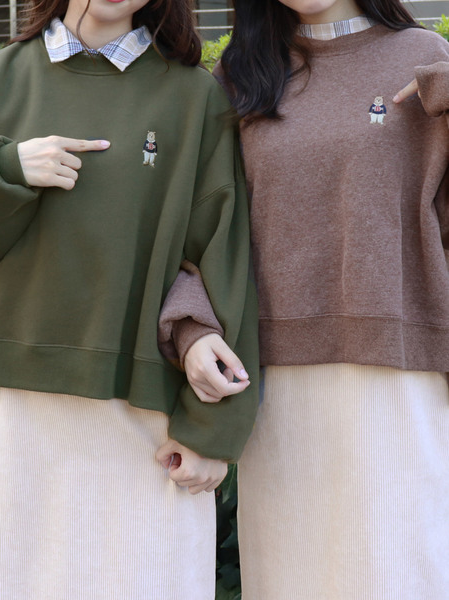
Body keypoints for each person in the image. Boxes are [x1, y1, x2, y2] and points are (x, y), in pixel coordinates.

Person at [0, 0, 259, 598]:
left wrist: (212, 429)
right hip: (25, 410)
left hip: (149, 417)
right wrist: (7, 168)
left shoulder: (195, 98)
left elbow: (226, 259)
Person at [160, 0, 449, 597]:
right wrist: (191, 330)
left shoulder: (425, 58)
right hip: (273, 389)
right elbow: (194, 229)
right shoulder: (242, 74)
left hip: (401, 378)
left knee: (399, 575)